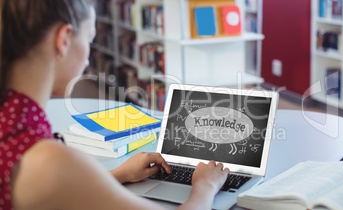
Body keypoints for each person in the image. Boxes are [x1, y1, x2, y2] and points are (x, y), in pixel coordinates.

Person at [0, 0, 229, 209]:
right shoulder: (48, 161)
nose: (88, 57)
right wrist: (206, 185)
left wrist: (119, 174)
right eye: (89, 39)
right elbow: (53, 180)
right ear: (64, 40)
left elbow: (51, 191)